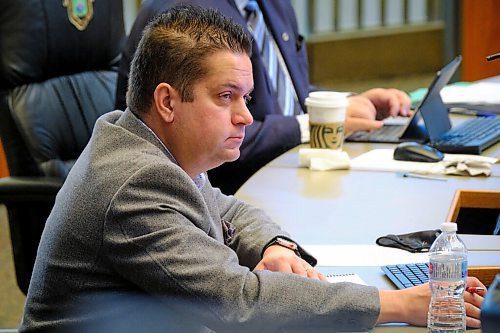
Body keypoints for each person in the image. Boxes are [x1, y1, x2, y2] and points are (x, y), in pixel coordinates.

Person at [21, 5, 484, 332]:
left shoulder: (144, 141)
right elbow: (240, 302)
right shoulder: (135, 182)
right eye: (226, 97)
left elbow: (225, 207)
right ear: (167, 101)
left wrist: (275, 244)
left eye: (245, 96)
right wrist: (398, 303)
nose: (245, 115)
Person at [115, 0, 412, 194]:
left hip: (281, 179)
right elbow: (215, 133)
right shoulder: (187, 16)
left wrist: (347, 103)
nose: (242, 110)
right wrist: (314, 125)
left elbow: (286, 93)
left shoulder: (272, 5)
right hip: (233, 183)